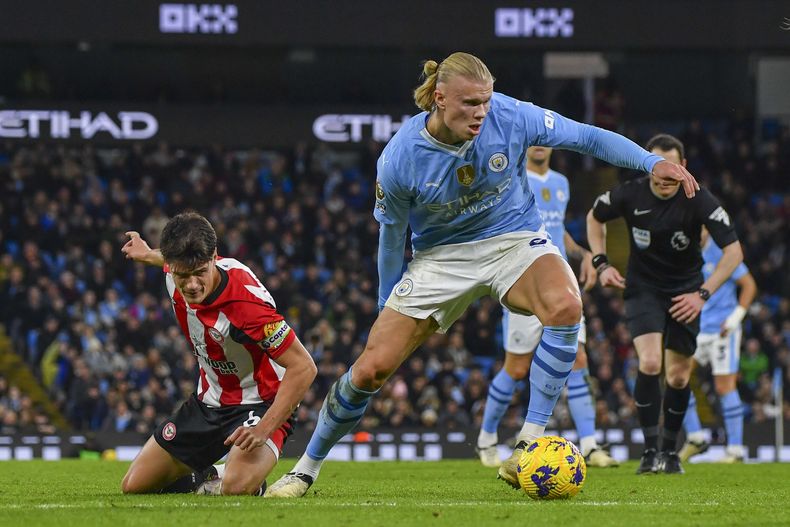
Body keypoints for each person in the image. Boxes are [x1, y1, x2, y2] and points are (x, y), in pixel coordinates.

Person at [267, 52, 698, 497]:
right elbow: (392, 237)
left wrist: (649, 162)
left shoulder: (511, 115)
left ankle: (528, 442)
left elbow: (585, 136)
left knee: (567, 305)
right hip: (440, 257)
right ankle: (305, 468)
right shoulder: (400, 158)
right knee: (369, 371)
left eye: (486, 101)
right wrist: (384, 303)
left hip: (513, 238)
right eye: (470, 103)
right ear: (438, 98)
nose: (481, 113)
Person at [119, 212, 317, 495]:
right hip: (208, 402)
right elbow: (169, 260)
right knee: (135, 486)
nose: (191, 285)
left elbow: (304, 367)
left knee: (236, 487)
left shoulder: (246, 306)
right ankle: (208, 476)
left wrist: (264, 428)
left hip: (260, 403)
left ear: (214, 257)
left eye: (200, 273)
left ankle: (242, 478)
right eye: (182, 275)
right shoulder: (176, 268)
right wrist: (148, 253)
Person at [586, 134, 743, 475]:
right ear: (649, 166)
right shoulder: (629, 193)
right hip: (643, 289)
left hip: (686, 293)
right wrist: (601, 263)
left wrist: (702, 295)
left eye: (674, 173)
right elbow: (594, 218)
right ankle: (649, 450)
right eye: (661, 172)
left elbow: (734, 253)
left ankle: (670, 453)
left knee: (677, 375)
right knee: (651, 362)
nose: (667, 180)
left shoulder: (699, 199)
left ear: (683, 167)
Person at [476, 146, 619, 469]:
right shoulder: (511, 179)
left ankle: (590, 445)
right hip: (525, 280)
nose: (539, 145)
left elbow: (557, 229)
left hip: (561, 282)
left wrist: (582, 254)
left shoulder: (561, 183)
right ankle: (486, 438)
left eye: (544, 140)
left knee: (579, 359)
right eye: (533, 140)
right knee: (515, 368)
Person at [679, 229, 756, 463]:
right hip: (699, 329)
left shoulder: (723, 251)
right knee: (676, 377)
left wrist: (734, 319)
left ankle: (735, 450)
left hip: (724, 331)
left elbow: (749, 285)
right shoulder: (687, 251)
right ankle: (695, 438)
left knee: (724, 387)